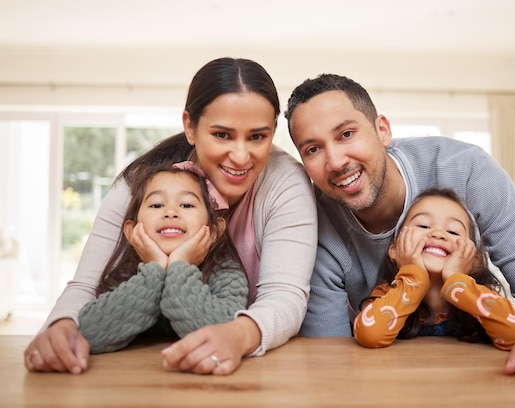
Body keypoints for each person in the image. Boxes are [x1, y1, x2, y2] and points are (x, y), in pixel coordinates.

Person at [284, 73, 515, 376]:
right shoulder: (312, 219)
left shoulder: (467, 169)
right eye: (312, 149)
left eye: (346, 134)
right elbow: (328, 351)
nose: (336, 162)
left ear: (382, 130)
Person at [24, 57, 317, 375]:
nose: (241, 155)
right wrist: (62, 325)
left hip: (251, 369)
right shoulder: (140, 183)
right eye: (222, 135)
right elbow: (85, 284)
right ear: (190, 127)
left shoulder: (285, 182)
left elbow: (286, 296)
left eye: (257, 136)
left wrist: (238, 335)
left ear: (273, 130)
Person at [78, 164, 248, 354]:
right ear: (132, 231)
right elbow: (89, 333)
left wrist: (180, 265)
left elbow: (221, 334)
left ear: (214, 230)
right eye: (157, 205)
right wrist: (155, 269)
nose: (171, 212)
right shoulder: (126, 275)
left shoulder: (225, 273)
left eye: (186, 205)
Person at [353, 188, 515, 350]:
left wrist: (457, 281)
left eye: (453, 231)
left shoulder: (480, 295)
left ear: (474, 259)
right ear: (394, 250)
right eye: (423, 225)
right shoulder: (387, 294)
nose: (438, 234)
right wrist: (413, 278)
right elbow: (370, 335)